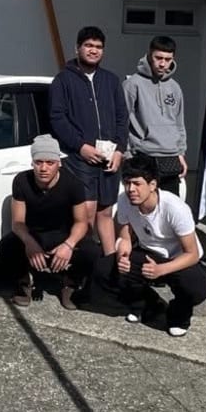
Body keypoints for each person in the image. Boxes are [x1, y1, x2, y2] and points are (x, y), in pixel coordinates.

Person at [84, 154, 206, 336]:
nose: (131, 189)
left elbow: (192, 254)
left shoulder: (175, 208)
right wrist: (122, 255)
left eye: (137, 183)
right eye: (127, 183)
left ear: (152, 185)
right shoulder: (125, 200)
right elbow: (124, 237)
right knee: (105, 269)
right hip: (147, 253)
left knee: (195, 287)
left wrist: (161, 270)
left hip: (177, 259)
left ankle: (179, 314)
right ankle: (145, 304)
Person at [49, 25, 128, 255]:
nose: (94, 50)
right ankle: (82, 271)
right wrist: (81, 147)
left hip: (110, 158)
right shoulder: (63, 80)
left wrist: (119, 150)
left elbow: (122, 118)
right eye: (89, 46)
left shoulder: (111, 81)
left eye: (98, 47)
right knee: (88, 214)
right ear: (77, 48)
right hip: (79, 159)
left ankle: (109, 266)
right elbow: (58, 119)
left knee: (105, 212)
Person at [0, 135, 97, 309]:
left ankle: (70, 283)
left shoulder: (73, 184)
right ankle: (24, 282)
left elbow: (82, 222)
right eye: (38, 162)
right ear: (32, 163)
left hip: (62, 234)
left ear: (59, 163)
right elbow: (18, 222)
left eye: (50, 163)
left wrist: (68, 245)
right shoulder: (21, 181)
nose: (43, 168)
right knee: (5, 247)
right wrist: (29, 243)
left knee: (92, 251)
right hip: (34, 233)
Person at [123, 36, 187, 195]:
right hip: (143, 155)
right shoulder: (133, 84)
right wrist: (127, 154)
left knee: (170, 210)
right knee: (142, 211)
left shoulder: (175, 87)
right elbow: (121, 122)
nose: (163, 63)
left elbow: (179, 123)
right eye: (158, 58)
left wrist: (180, 153)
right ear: (149, 55)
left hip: (171, 156)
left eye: (167, 59)